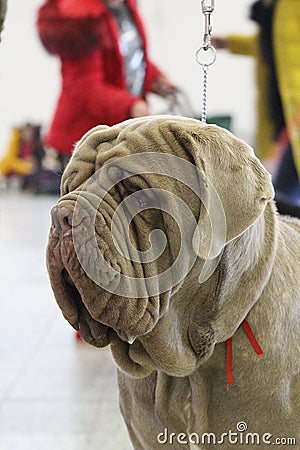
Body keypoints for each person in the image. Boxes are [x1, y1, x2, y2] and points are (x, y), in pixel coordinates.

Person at [36, 0, 176, 165]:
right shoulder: (79, 16)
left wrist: (154, 78)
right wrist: (131, 106)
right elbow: (85, 90)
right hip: (84, 145)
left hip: (116, 137)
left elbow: (125, 56)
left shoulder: (124, 6)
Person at [213, 0, 300, 214]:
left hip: (294, 115)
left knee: (280, 200)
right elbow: (274, 43)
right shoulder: (272, 7)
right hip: (280, 110)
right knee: (280, 197)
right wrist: (232, 43)